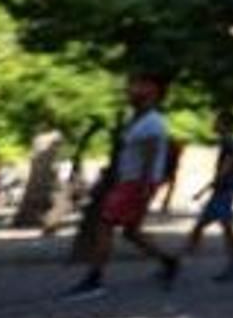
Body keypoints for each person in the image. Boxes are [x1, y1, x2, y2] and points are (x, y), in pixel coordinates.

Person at [64, 72, 181, 298]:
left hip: (136, 184)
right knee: (131, 232)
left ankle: (95, 279)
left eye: (137, 84)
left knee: (105, 224)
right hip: (130, 181)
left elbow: (151, 156)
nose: (130, 89)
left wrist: (144, 187)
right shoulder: (136, 119)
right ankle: (169, 262)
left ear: (152, 90)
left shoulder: (153, 123)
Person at [185, 110, 233, 281]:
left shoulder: (230, 142)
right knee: (206, 226)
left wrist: (208, 187)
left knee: (223, 227)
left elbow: (228, 165)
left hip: (224, 189)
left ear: (225, 124)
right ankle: (178, 261)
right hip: (223, 189)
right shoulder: (229, 141)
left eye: (217, 121)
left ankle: (232, 267)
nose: (214, 124)